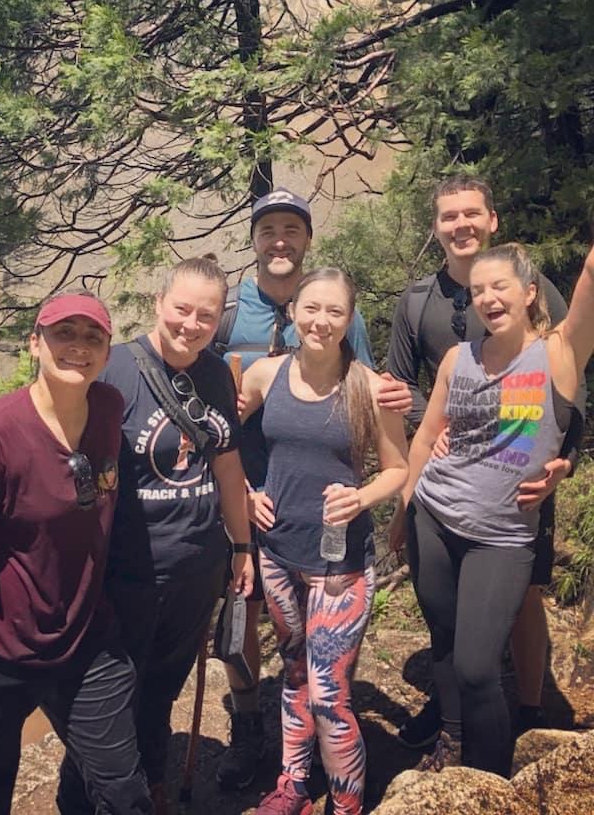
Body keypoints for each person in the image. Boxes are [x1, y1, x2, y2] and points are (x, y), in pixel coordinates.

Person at [213, 187, 412, 790]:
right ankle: (265, 752)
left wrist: (404, 405)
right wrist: (237, 489)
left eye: (291, 230)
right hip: (258, 519)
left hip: (331, 542)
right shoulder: (233, 319)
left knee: (324, 683)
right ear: (254, 239)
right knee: (259, 640)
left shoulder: (355, 357)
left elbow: (380, 416)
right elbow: (219, 419)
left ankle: (339, 793)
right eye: (268, 228)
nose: (280, 239)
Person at [0, 291, 153, 815]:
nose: (78, 347)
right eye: (63, 334)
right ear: (35, 343)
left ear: (106, 350)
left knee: (124, 795)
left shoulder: (108, 409)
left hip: (84, 640)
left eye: (92, 336)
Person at [386, 176, 584, 747]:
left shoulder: (529, 283)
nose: (461, 225)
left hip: (523, 470)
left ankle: (526, 706)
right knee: (449, 620)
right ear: (436, 227)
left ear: (492, 220)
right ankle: (455, 720)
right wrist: (436, 422)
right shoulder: (418, 301)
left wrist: (564, 461)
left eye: (472, 213)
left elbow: (568, 386)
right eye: (449, 216)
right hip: (451, 472)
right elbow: (399, 385)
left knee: (522, 595)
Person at [57, 256, 254, 815]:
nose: (191, 323)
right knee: (112, 699)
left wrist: (241, 546)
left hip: (197, 567)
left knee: (162, 688)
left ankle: (150, 790)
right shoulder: (113, 372)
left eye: (206, 315)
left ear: (219, 321)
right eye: (182, 309)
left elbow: (228, 466)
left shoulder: (216, 373)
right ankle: (84, 799)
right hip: (130, 571)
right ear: (158, 304)